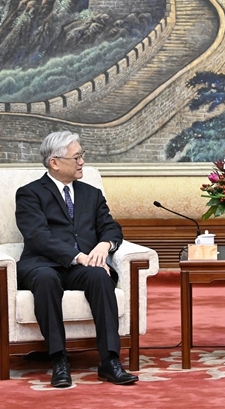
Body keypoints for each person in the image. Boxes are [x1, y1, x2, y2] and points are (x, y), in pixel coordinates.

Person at [15, 130, 137, 388]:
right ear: (55, 162)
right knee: (46, 279)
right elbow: (38, 236)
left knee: (100, 276)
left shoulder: (91, 194)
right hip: (43, 264)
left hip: (82, 266)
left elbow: (111, 227)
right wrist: (77, 256)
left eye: (82, 156)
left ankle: (110, 361)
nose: (82, 162)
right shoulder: (30, 194)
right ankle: (59, 360)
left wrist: (104, 245)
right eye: (76, 157)